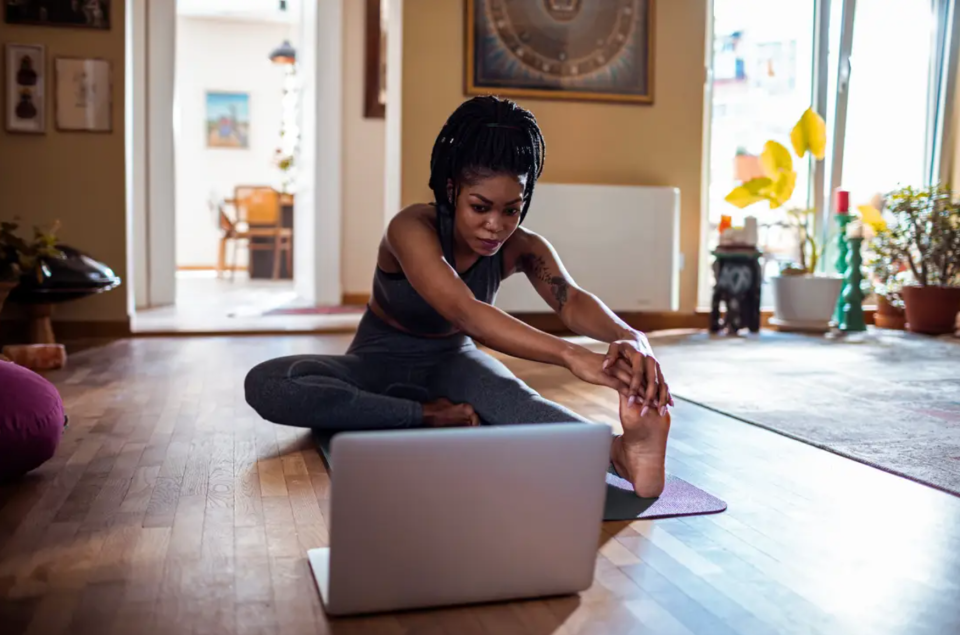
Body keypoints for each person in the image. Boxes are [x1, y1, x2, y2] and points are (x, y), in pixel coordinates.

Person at [245, 95, 673, 497]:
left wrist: (630, 335)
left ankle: (621, 453)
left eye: (511, 209)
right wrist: (571, 355)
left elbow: (571, 300)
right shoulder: (411, 229)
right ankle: (426, 414)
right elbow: (466, 310)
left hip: (454, 366)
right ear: (452, 191)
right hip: (376, 363)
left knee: (517, 402)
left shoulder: (523, 247)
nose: (496, 225)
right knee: (270, 384)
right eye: (480, 207)